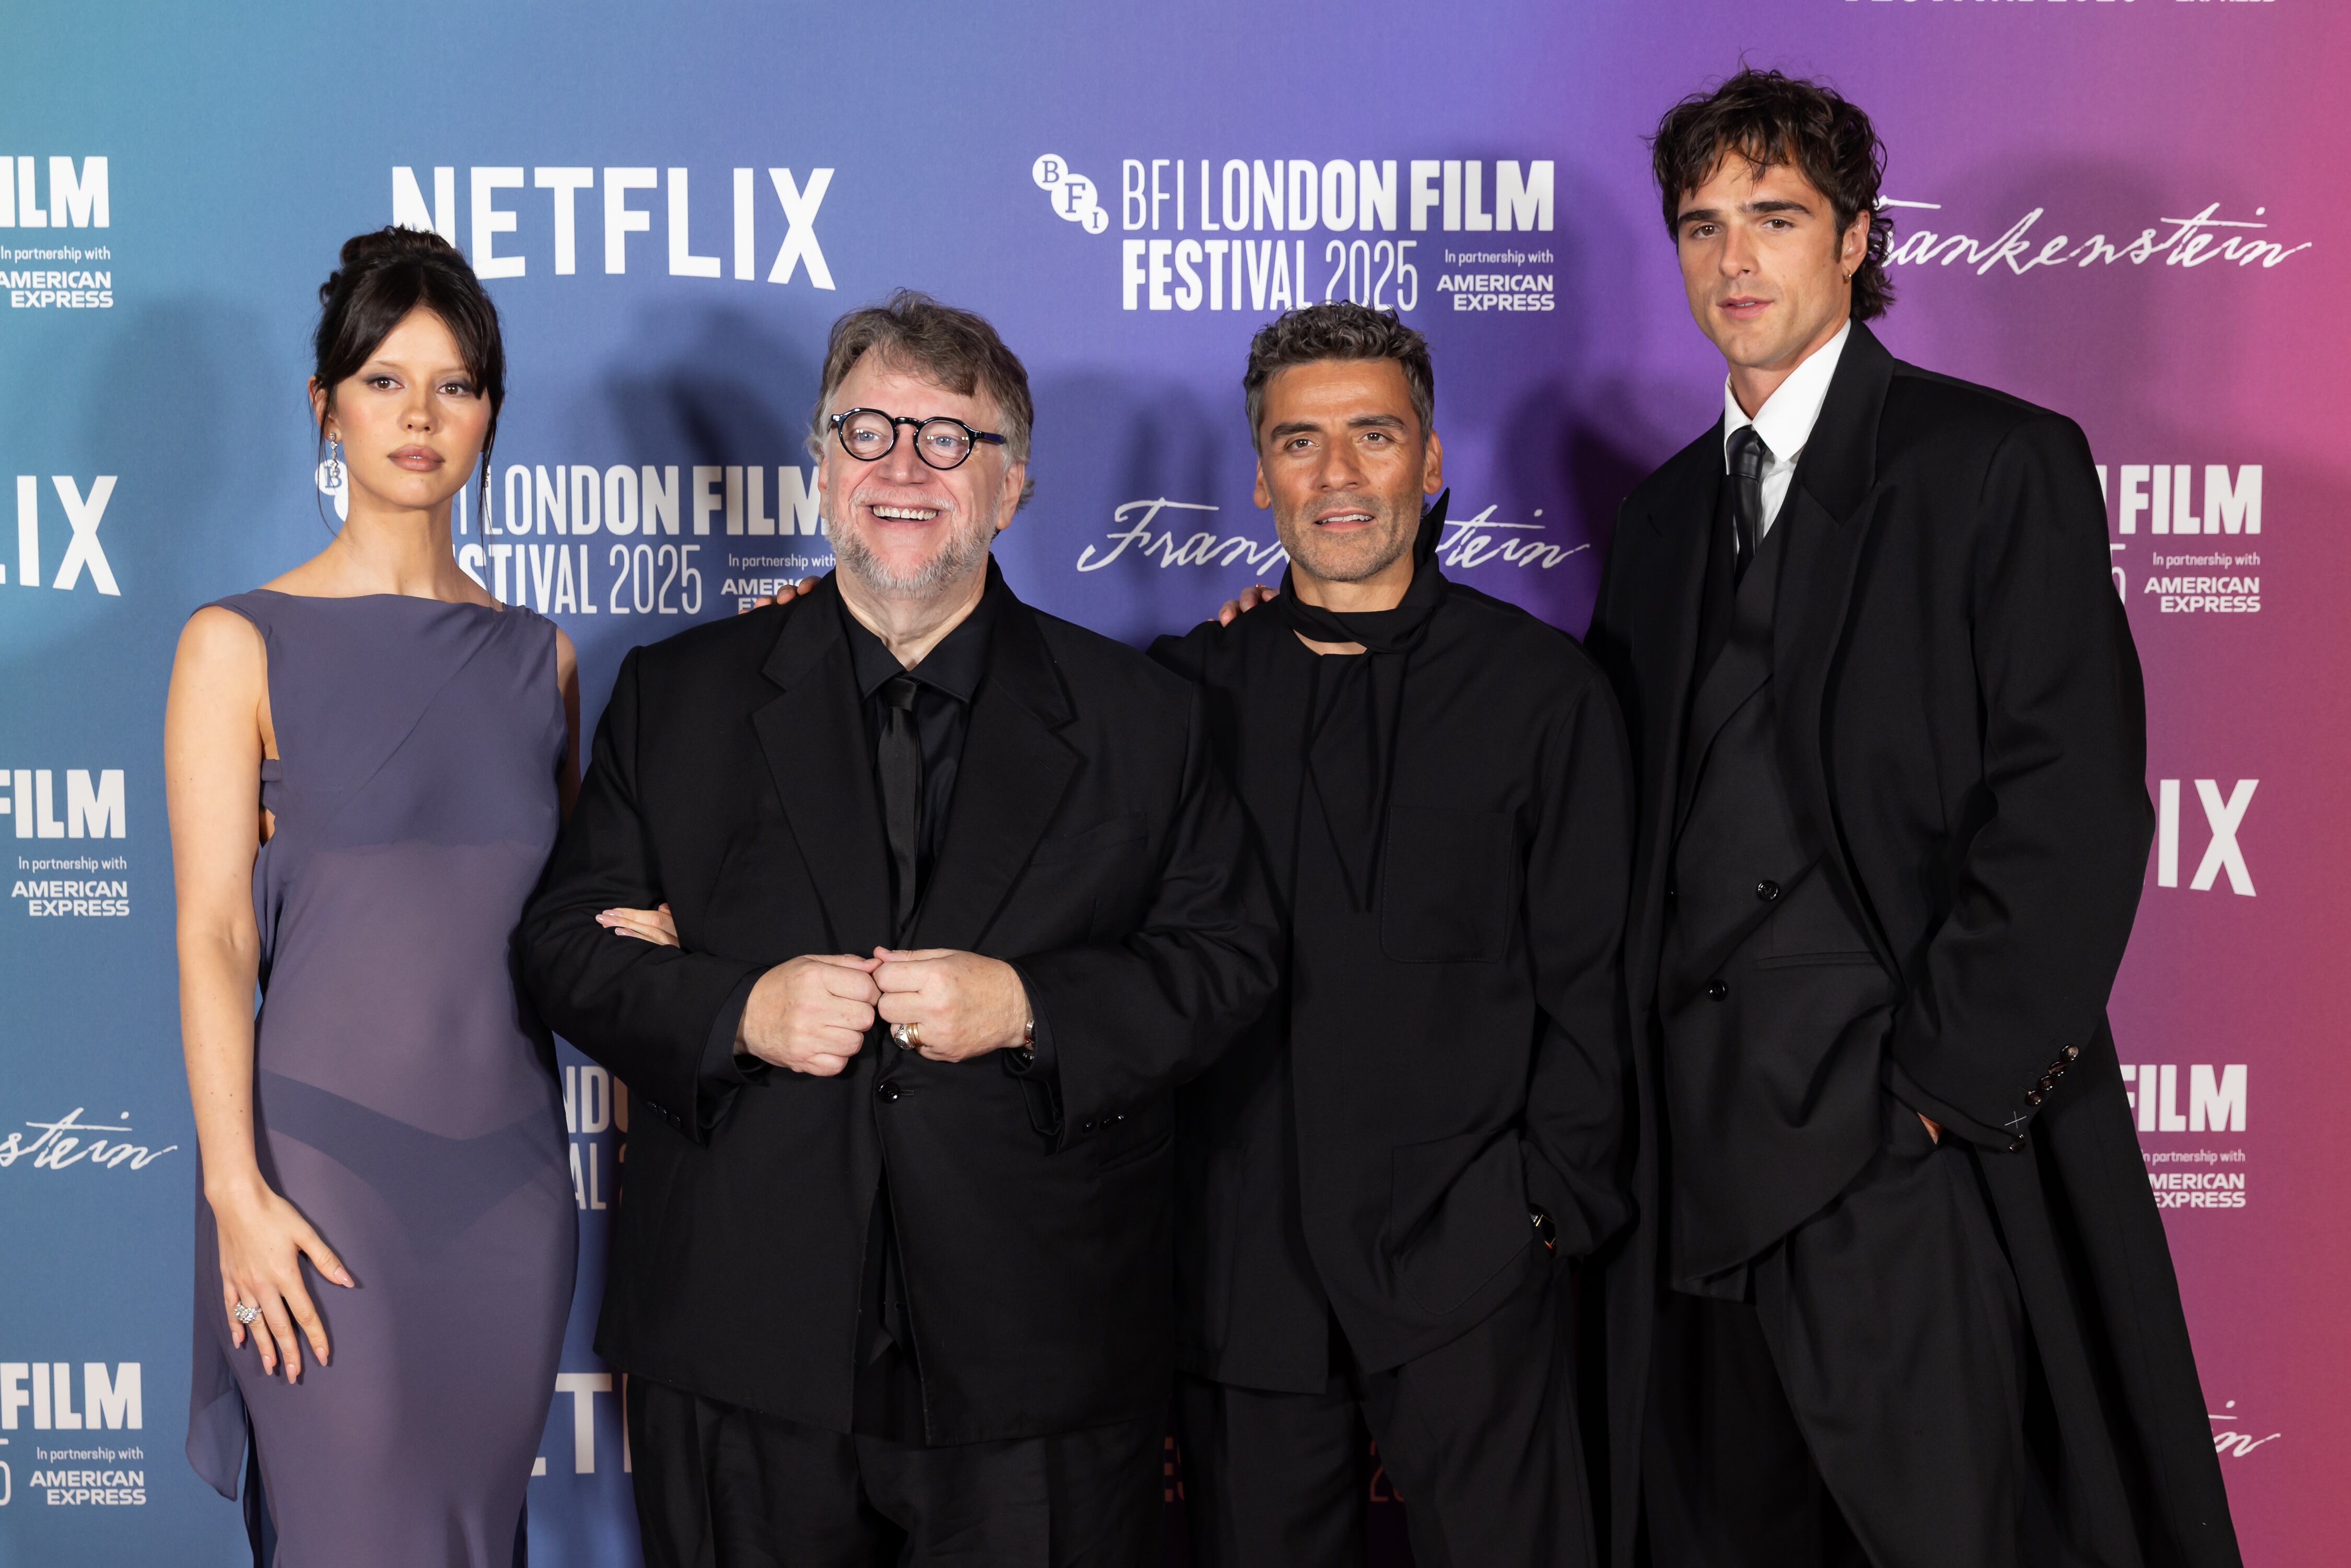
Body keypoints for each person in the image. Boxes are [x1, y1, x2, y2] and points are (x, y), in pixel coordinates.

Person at [1581, 69, 2243, 1568]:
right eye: (1698, 227)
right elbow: (1603, 794)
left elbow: (2068, 805)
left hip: (1907, 1155)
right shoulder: (1664, 515)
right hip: (1693, 1166)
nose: (1731, 260)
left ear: (1855, 239)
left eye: (1773, 217)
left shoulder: (1995, 462)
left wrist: (1936, 1096)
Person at [516, 291, 1282, 1568]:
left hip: (1037, 1361)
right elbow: (561, 945)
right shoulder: (677, 698)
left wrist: (1032, 1006)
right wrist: (737, 1010)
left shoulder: (1144, 719)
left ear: (1011, 484)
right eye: (865, 431)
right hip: (742, 1350)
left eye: (947, 440)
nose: (902, 469)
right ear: (819, 466)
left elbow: (1227, 961)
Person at [1156, 302, 1633, 1568]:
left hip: (1474, 1263)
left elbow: (1598, 988)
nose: (1339, 474)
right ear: (1259, 475)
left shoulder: (1547, 695)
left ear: (1430, 459)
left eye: (1374, 435)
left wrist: (1535, 1216)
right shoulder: (1176, 697)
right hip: (1238, 1276)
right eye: (1300, 442)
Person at [168, 227, 579, 1565]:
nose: (420, 415)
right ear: (325, 406)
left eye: (455, 385)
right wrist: (236, 1187)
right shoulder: (237, 643)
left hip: (513, 1189)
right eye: (386, 380)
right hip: (320, 1182)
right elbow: (217, 934)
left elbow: (572, 926)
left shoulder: (545, 661)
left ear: (491, 416)